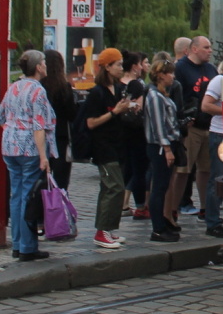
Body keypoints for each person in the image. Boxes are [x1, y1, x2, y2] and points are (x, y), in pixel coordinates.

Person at [0, 50, 56, 262]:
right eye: (44, 63)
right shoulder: (38, 91)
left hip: (10, 146)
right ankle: (27, 247)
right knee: (29, 197)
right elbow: (39, 126)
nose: (46, 66)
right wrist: (43, 156)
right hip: (29, 148)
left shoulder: (14, 87)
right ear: (38, 67)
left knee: (17, 194)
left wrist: (13, 130)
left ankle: (18, 243)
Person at [86, 47, 132, 250]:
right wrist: (115, 112)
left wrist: (128, 109)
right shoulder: (97, 93)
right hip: (103, 147)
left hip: (118, 144)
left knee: (113, 187)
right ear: (107, 67)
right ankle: (101, 231)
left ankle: (109, 228)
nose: (122, 68)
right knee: (114, 187)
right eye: (118, 64)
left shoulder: (118, 89)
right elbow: (91, 123)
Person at [171, 36, 217, 226]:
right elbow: (175, 96)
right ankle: (173, 209)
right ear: (194, 49)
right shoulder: (181, 68)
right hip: (190, 128)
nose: (210, 50)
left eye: (211, 47)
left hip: (209, 125)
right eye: (206, 47)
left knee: (206, 170)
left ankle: (205, 208)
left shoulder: (211, 69)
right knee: (183, 170)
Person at [144, 59, 181, 242]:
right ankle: (157, 228)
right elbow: (158, 126)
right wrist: (167, 149)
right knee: (158, 187)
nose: (172, 77)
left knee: (163, 185)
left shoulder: (162, 94)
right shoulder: (154, 96)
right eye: (169, 73)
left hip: (169, 142)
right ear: (160, 75)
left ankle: (162, 223)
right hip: (160, 146)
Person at [201, 59, 223, 238]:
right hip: (219, 134)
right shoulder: (219, 81)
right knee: (217, 179)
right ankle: (212, 222)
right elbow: (205, 106)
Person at [119, 51, 150, 219]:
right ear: (133, 66)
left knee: (126, 167)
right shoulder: (137, 85)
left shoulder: (117, 84)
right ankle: (138, 205)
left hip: (120, 132)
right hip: (136, 132)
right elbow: (139, 108)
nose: (141, 67)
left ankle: (123, 203)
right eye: (139, 64)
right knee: (138, 169)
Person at [41, 49, 76, 190]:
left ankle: (40, 208)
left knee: (41, 178)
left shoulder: (39, 86)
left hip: (40, 137)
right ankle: (59, 209)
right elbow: (72, 114)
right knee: (61, 181)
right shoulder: (64, 87)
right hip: (59, 137)